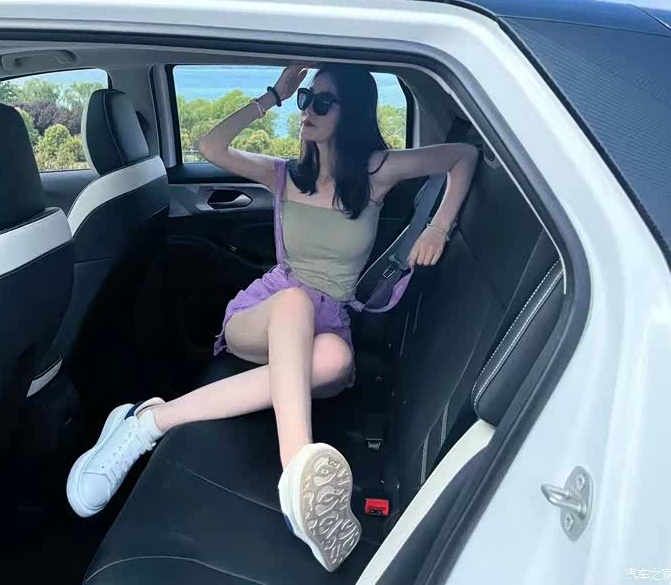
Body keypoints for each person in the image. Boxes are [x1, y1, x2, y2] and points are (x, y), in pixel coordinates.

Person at [66, 64, 479, 572]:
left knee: (334, 362)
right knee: (295, 303)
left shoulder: (377, 171)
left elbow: (463, 156)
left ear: (352, 112)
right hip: (264, 313)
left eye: (322, 102)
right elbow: (210, 147)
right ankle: (297, 475)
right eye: (306, 98)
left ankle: (149, 418)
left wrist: (438, 227)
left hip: (329, 322)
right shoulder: (285, 174)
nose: (308, 110)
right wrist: (273, 95)